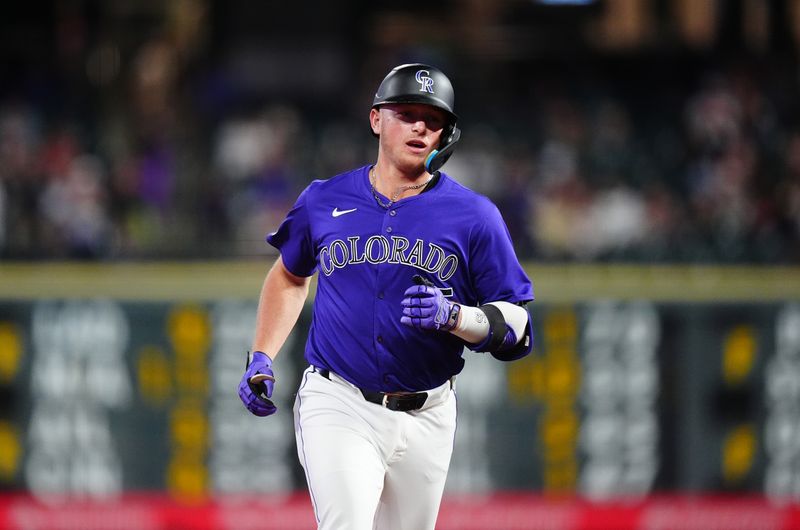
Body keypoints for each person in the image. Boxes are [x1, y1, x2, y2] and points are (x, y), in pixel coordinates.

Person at [238, 63, 534, 530]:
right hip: (339, 399)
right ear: (377, 119)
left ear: (446, 137)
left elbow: (517, 328)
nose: (419, 125)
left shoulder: (475, 216)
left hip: (428, 412)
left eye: (433, 119)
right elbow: (290, 276)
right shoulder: (323, 199)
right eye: (407, 113)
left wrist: (457, 316)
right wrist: (262, 355)